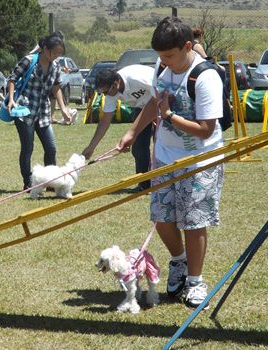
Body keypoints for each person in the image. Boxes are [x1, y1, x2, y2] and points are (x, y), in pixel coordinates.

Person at [117, 17, 224, 309]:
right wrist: (131, 132)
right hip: (165, 156)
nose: (163, 62)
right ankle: (179, 261)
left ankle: (195, 282)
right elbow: (154, 102)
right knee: (163, 220)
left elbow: (206, 128)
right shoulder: (163, 68)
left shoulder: (205, 77)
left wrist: (171, 115)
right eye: (160, 57)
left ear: (187, 46)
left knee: (193, 222)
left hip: (200, 159)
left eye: (169, 56)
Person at [7, 33, 74, 191]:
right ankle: (28, 182)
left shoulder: (55, 66)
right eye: (54, 52)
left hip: (43, 112)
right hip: (24, 111)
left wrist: (63, 108)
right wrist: (11, 99)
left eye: (59, 53)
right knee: (28, 148)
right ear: (45, 49)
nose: (57, 56)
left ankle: (51, 182)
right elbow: (12, 78)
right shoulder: (29, 60)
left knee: (51, 148)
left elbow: (56, 87)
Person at [82, 65, 156, 191]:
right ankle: (144, 184)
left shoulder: (137, 78)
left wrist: (159, 116)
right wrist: (91, 147)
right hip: (142, 107)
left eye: (106, 92)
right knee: (138, 147)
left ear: (116, 83)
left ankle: (165, 182)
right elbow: (105, 121)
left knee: (161, 145)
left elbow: (161, 93)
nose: (105, 95)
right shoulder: (111, 93)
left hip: (161, 102)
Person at [28, 32, 78, 125]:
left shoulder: (55, 60)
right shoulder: (45, 46)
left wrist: (61, 68)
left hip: (51, 72)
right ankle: (51, 115)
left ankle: (53, 115)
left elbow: (55, 62)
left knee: (54, 95)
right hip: (37, 72)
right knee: (50, 95)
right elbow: (32, 54)